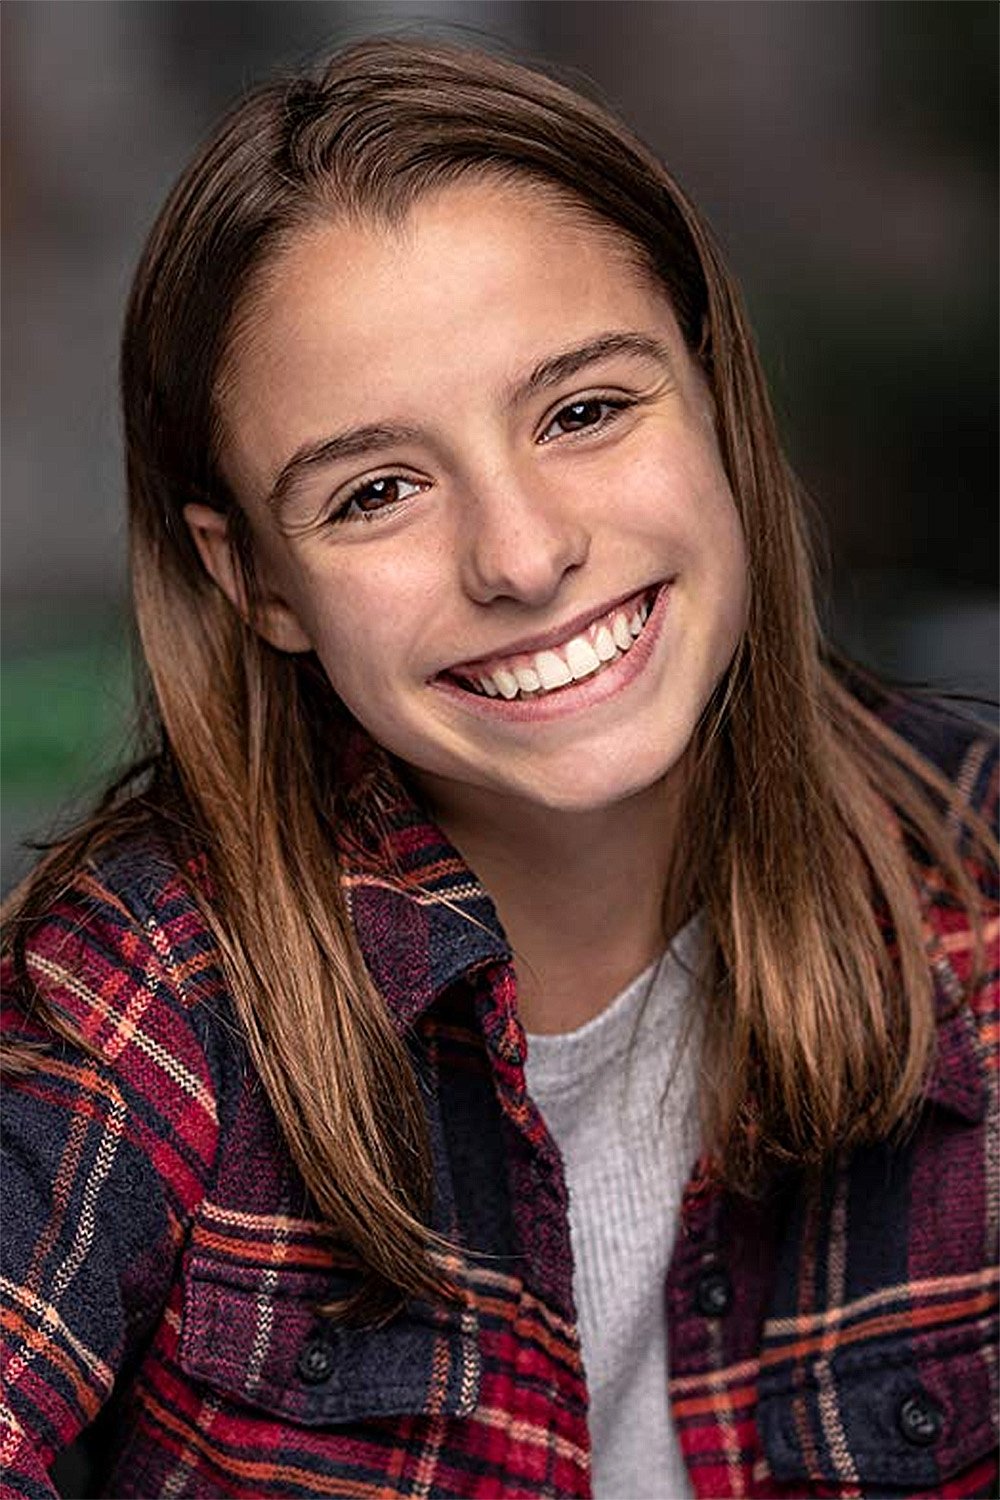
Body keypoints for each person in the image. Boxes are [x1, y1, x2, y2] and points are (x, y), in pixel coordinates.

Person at [2, 34, 996, 1500]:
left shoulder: (973, 868)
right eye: (376, 492)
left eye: (584, 411)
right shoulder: (146, 994)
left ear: (717, 393)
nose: (524, 557)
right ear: (257, 579)